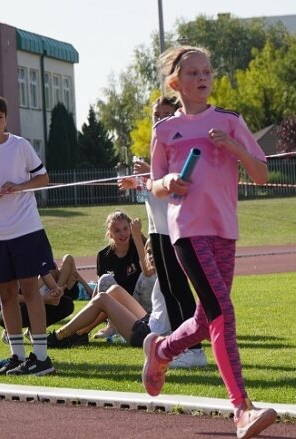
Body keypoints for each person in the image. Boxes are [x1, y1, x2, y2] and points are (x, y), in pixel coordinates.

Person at [143, 46, 277, 439]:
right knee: (223, 313)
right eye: (192, 73)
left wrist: (233, 147)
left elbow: (262, 175)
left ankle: (162, 350)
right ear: (175, 83)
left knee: (206, 320)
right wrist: (167, 183)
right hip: (186, 229)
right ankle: (242, 409)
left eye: (207, 71)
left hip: (224, 229)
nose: (202, 78)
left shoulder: (231, 121)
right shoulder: (164, 130)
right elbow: (153, 182)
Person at [0, 92, 57, 376]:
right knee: (5, 292)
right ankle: (17, 355)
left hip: (25, 228)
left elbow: (43, 178)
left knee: (30, 289)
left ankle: (41, 358)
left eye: (0, 117)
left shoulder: (20, 145)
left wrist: (18, 187)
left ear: (6, 119)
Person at [118, 96, 206, 369]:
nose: (159, 118)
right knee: (168, 290)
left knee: (180, 289)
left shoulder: (179, 144)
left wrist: (149, 174)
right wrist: (138, 182)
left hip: (175, 229)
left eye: (165, 114)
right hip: (157, 230)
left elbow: (180, 184)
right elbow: (155, 190)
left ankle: (195, 349)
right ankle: (181, 345)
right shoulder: (158, 143)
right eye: (156, 114)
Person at [48, 240, 170, 349]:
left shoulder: (168, 277)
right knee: (114, 290)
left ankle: (59, 335)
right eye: (149, 252)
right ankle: (81, 333)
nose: (152, 256)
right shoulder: (161, 275)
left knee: (102, 298)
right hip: (150, 321)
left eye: (156, 252)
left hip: (149, 335)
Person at [93, 210, 154, 338]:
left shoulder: (139, 244)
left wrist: (137, 237)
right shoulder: (103, 256)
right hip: (119, 307)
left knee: (147, 275)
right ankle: (113, 325)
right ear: (110, 234)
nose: (123, 233)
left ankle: (150, 320)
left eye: (126, 228)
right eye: (117, 230)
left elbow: (148, 271)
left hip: (141, 304)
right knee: (104, 279)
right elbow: (100, 289)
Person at [0, 271, 75, 342]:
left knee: (66, 304)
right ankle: (10, 331)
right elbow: (9, 295)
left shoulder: (39, 259)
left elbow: (49, 280)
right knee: (22, 306)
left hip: (30, 299)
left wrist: (57, 293)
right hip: (5, 309)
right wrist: (43, 299)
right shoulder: (12, 260)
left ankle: (34, 329)